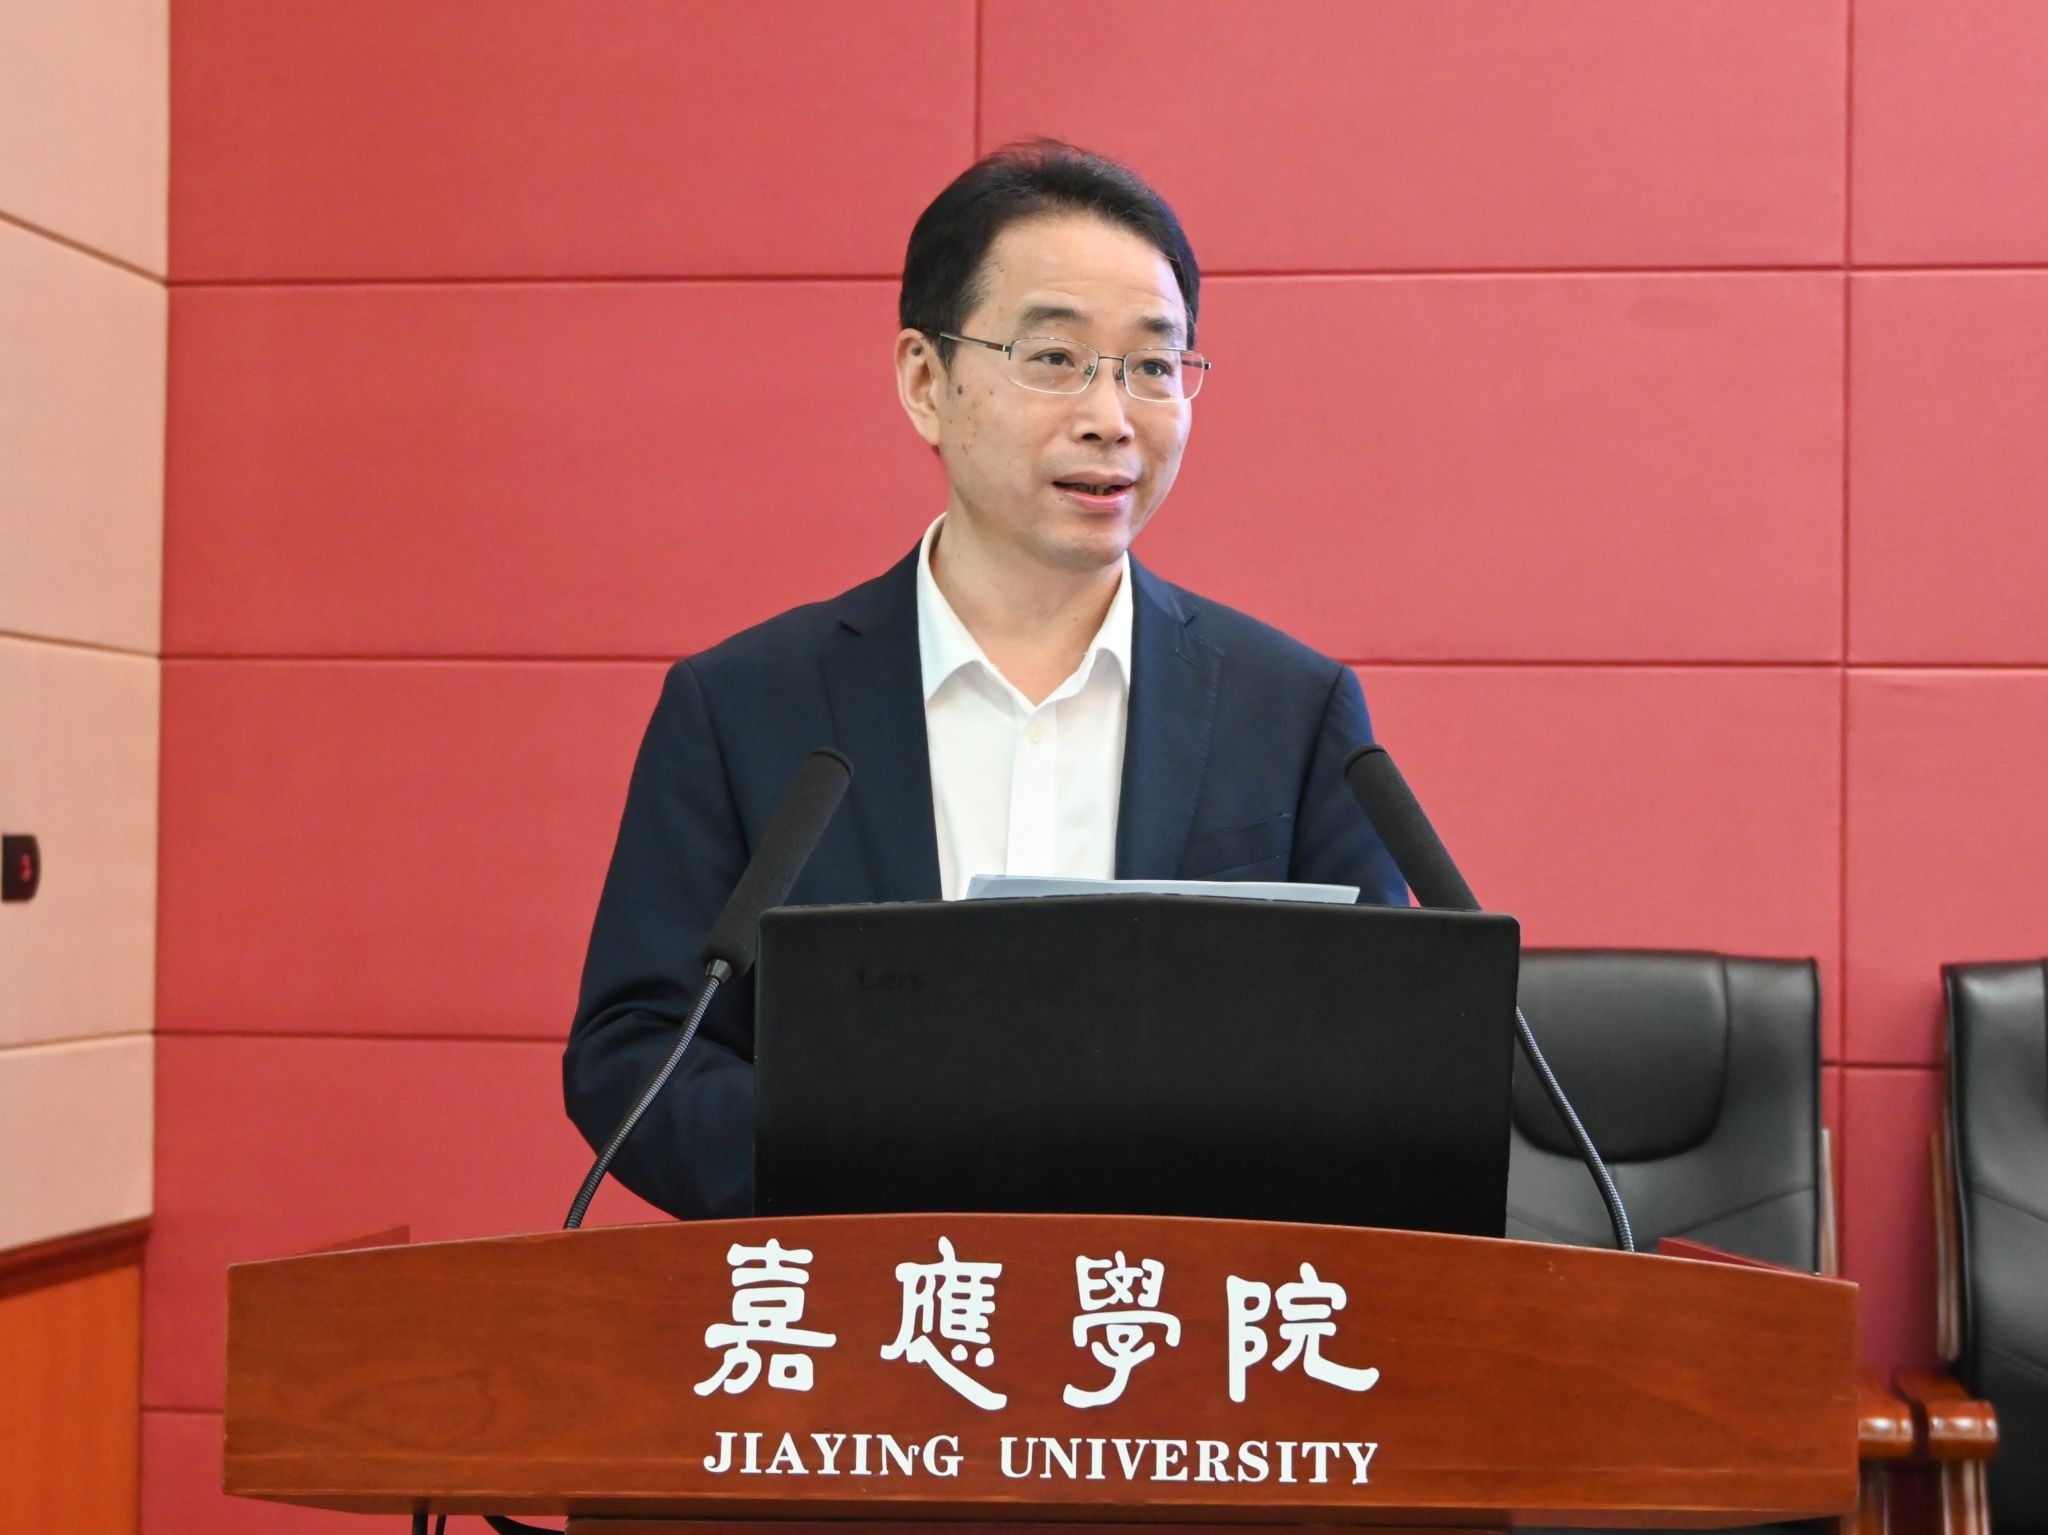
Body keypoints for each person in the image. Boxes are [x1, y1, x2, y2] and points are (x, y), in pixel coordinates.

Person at [564, 140, 1406, 1219]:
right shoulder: (743, 709)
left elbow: (1385, 1054)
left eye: (1152, 366)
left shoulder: (1290, 711)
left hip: (1171, 1305)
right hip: (871, 1296)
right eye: (1055, 357)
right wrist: (872, 1171)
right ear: (926, 381)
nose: (1112, 416)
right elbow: (638, 1048)